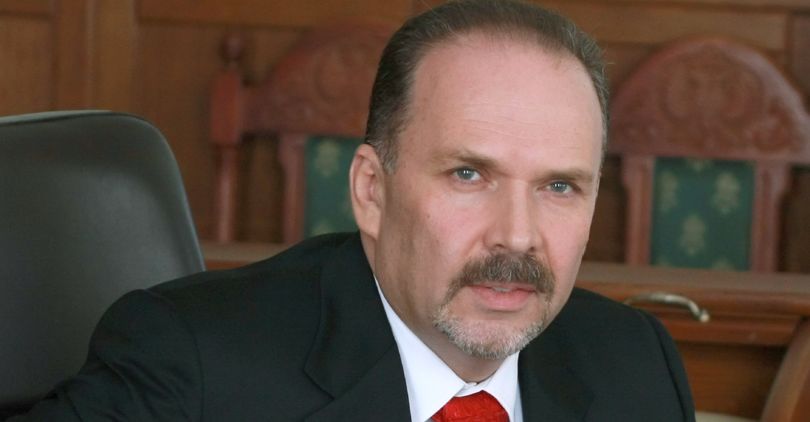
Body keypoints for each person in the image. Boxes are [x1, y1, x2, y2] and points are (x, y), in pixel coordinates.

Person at [16, 0, 695, 420]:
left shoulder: (634, 364)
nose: (517, 236)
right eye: (468, 175)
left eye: (559, 187)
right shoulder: (193, 364)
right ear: (372, 189)